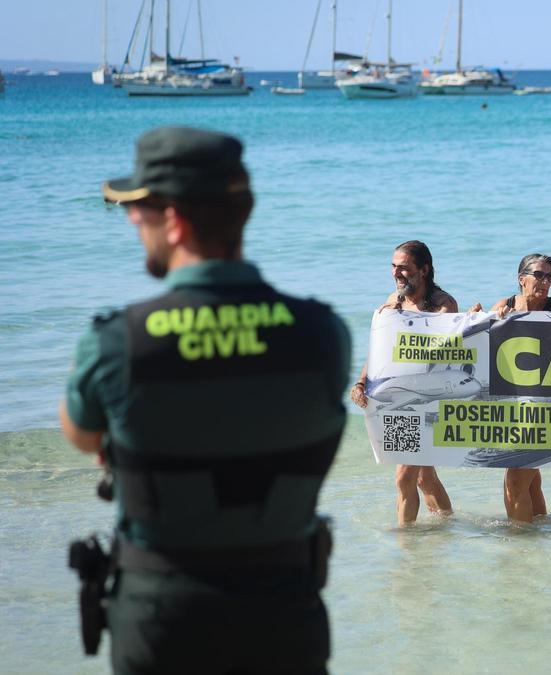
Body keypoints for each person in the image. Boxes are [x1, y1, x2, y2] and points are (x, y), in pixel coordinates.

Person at [60, 127, 349, 672]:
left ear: (174, 220)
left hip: (162, 623)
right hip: (287, 619)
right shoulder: (322, 334)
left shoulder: (120, 342)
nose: (131, 219)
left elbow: (81, 434)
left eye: (139, 207)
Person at [350, 241, 456, 525]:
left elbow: (444, 347)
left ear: (424, 270)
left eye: (404, 268)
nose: (397, 273)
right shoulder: (394, 301)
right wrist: (360, 383)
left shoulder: (443, 304)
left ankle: (405, 539)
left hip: (428, 401)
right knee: (423, 477)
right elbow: (380, 351)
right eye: (394, 267)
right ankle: (448, 524)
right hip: (401, 401)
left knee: (404, 475)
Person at [473, 253, 551, 522]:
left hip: (547, 407)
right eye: (539, 275)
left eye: (550, 276)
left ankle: (521, 540)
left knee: (515, 479)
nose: (545, 281)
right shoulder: (505, 305)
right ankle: (541, 529)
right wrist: (476, 317)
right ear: (521, 278)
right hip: (512, 405)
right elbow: (478, 344)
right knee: (530, 480)